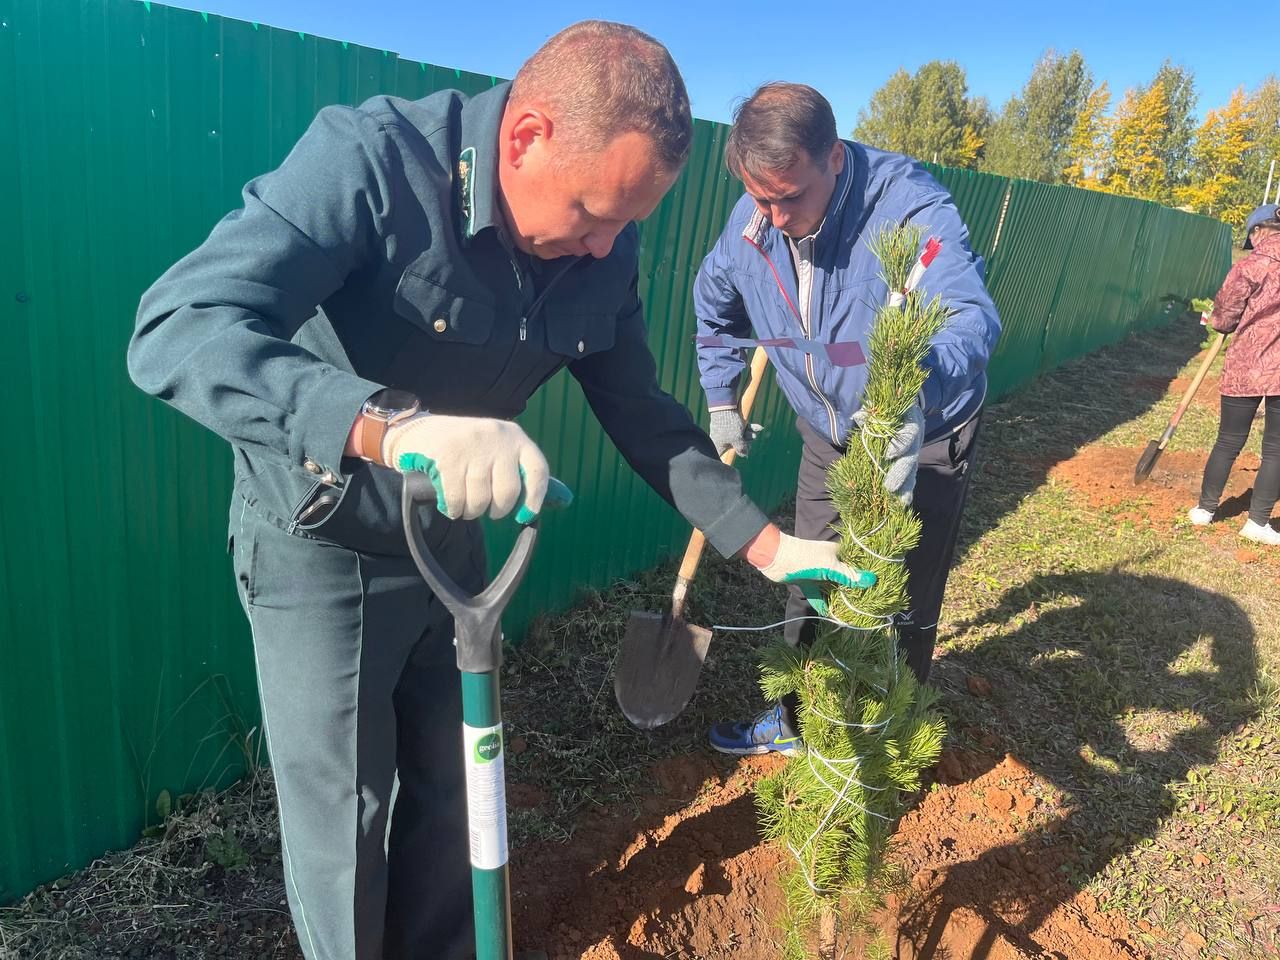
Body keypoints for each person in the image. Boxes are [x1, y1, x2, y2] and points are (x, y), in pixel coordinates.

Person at [126, 25, 867, 960]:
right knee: (347, 819)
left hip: (454, 547)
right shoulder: (371, 165)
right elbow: (177, 328)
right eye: (594, 213)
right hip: (324, 539)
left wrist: (768, 545)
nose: (608, 248)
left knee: (454, 793)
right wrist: (390, 428)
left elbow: (641, 409)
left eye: (627, 224)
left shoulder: (605, 249)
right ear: (526, 139)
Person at [692, 82, 1001, 756]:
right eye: (759, 197)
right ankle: (797, 720)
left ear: (834, 156)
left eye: (788, 197)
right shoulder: (753, 224)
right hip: (828, 434)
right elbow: (714, 306)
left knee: (905, 589)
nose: (773, 216)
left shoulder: (907, 209)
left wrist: (908, 394)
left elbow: (968, 316)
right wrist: (721, 400)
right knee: (809, 572)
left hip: (925, 436)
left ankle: (892, 734)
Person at [1190, 203, 1280, 544]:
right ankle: (1258, 523)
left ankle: (1205, 509)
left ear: (1258, 232)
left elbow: (1223, 317)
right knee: (1277, 449)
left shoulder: (1250, 265)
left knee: (1228, 440)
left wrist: (1224, 322)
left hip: (1247, 365)